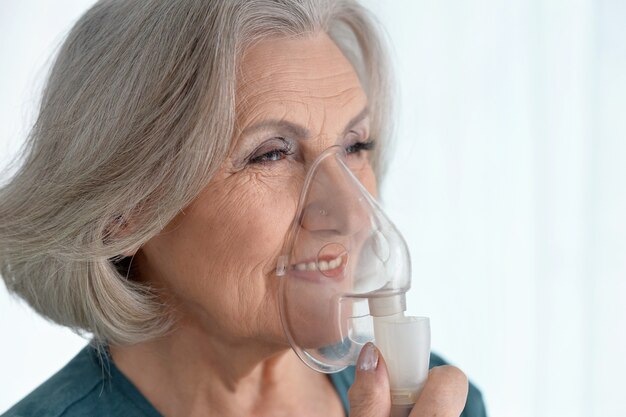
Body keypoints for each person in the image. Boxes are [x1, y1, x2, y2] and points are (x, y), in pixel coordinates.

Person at [0, 1, 486, 416]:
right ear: (123, 207)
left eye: (355, 146)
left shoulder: (431, 403)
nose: (354, 216)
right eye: (271, 154)